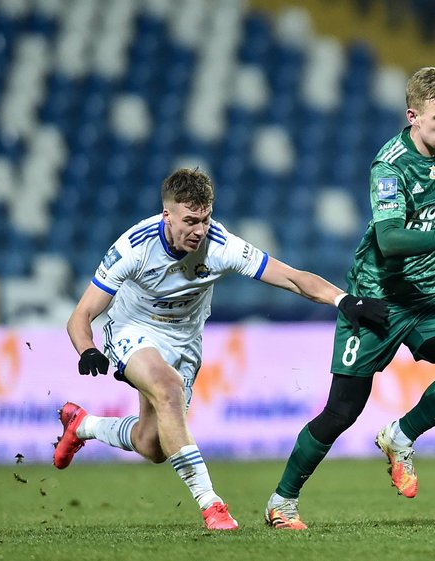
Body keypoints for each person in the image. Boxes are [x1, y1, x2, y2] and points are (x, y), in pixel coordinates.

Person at [53, 167, 389, 531]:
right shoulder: (134, 247)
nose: (199, 230)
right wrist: (87, 349)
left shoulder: (221, 245)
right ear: (167, 215)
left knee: (152, 445)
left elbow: (291, 277)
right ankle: (212, 504)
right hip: (133, 330)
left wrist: (343, 300)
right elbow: (81, 315)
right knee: (168, 390)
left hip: (185, 341)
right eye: (190, 220)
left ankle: (83, 425)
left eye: (205, 219)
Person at [264, 67, 435, 530]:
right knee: (341, 411)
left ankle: (400, 436)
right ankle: (282, 501)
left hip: (425, 297)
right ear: (413, 116)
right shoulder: (390, 165)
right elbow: (391, 238)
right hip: (376, 300)